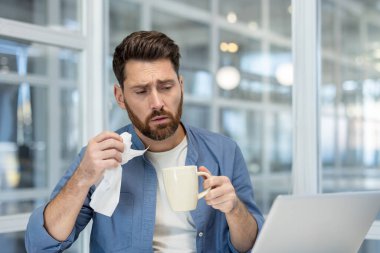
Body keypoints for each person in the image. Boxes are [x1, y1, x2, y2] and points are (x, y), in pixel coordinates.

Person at [25, 31, 264, 253]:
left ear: (181, 86)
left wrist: (234, 209)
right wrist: (82, 177)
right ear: (120, 97)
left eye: (166, 87)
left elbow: (250, 245)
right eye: (141, 91)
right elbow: (41, 245)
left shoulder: (224, 151)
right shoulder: (100, 157)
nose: (157, 102)